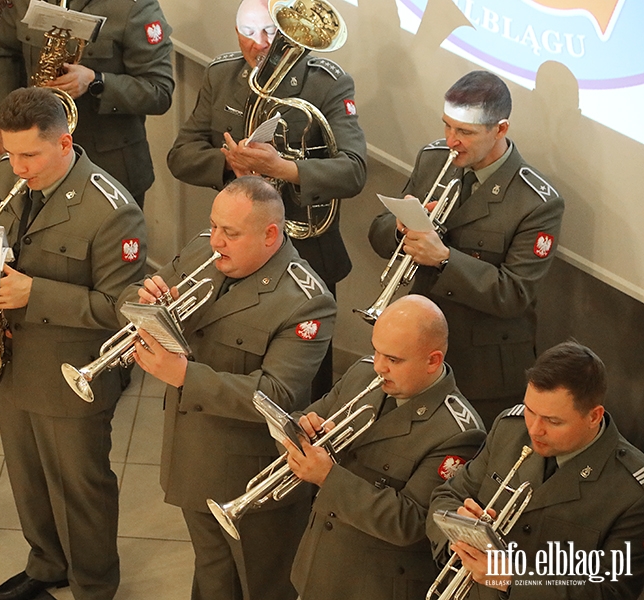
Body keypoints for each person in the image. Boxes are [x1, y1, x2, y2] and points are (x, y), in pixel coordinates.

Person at [118, 176, 337, 600]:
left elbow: (277, 394)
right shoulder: (207, 246)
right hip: (191, 454)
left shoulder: (307, 301)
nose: (216, 240)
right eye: (214, 225)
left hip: (250, 475)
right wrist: (144, 298)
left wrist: (184, 376)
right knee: (212, 574)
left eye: (230, 233)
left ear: (271, 235)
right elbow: (137, 292)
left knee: (261, 584)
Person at [0, 86, 147, 600]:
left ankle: (93, 585)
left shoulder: (112, 210)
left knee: (81, 490)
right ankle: (47, 562)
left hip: (73, 372)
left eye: (30, 154)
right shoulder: (5, 172)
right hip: (12, 360)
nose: (19, 166)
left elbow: (124, 311)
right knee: (28, 477)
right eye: (10, 153)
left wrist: (35, 293)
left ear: (65, 142)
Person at [167, 0, 367, 397]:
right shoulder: (222, 74)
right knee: (230, 349)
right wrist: (230, 168)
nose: (259, 44)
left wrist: (284, 169)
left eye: (270, 32)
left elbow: (355, 169)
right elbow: (181, 154)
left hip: (305, 247)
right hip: (238, 241)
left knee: (305, 379)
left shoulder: (327, 82)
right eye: (248, 32)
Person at [368, 70, 564, 428]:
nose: (451, 141)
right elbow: (377, 233)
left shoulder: (536, 202)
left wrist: (444, 259)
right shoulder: (432, 159)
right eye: (447, 126)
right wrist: (399, 228)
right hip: (420, 352)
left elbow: (514, 294)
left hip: (483, 368)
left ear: (500, 129)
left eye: (466, 132)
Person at [283, 295, 486, 600]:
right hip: (318, 567)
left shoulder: (458, 431)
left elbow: (412, 521)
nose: (379, 366)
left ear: (433, 360)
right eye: (376, 351)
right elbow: (306, 417)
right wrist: (302, 429)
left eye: (393, 359)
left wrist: (328, 477)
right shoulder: (363, 374)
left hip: (374, 585)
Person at [427, 341, 644, 599]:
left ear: (594, 416)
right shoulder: (510, 428)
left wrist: (510, 578)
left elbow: (611, 592)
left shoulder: (631, 489)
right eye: (530, 411)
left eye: (553, 421)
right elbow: (445, 499)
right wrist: (460, 531)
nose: (534, 429)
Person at [0, 0, 174, 207]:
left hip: (106, 169)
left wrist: (96, 81)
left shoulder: (134, 7)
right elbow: (2, 53)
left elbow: (159, 91)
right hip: (34, 163)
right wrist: (3, 120)